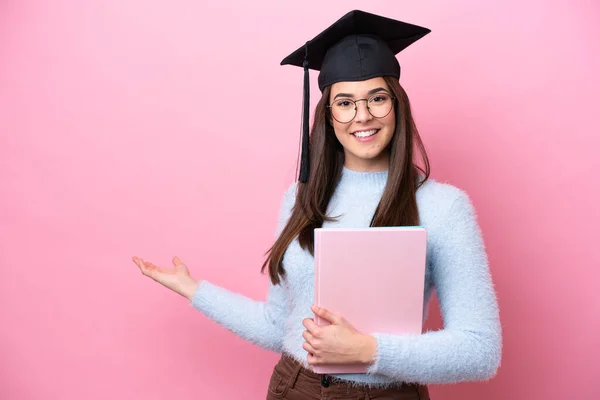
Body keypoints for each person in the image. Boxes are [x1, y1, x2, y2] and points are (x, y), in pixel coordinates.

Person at [132, 9, 502, 400]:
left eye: (377, 98)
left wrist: (369, 351)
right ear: (327, 114)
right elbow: (279, 325)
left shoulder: (444, 207)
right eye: (344, 103)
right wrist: (194, 290)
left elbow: (480, 349)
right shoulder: (301, 198)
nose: (362, 116)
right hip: (294, 388)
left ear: (397, 105)